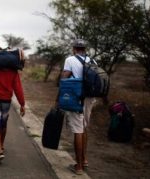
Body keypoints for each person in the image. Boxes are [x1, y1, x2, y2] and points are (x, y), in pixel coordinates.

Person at [60, 39, 96, 175]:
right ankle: (84, 159)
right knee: (84, 127)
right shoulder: (92, 61)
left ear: (74, 48)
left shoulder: (69, 60)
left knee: (77, 130)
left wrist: (59, 99)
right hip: (90, 98)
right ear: (84, 49)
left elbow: (64, 80)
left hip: (77, 98)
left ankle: (79, 166)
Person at [0, 53, 25, 164]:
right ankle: (2, 146)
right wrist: (22, 104)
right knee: (3, 124)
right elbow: (18, 88)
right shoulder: (13, 72)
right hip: (6, 101)